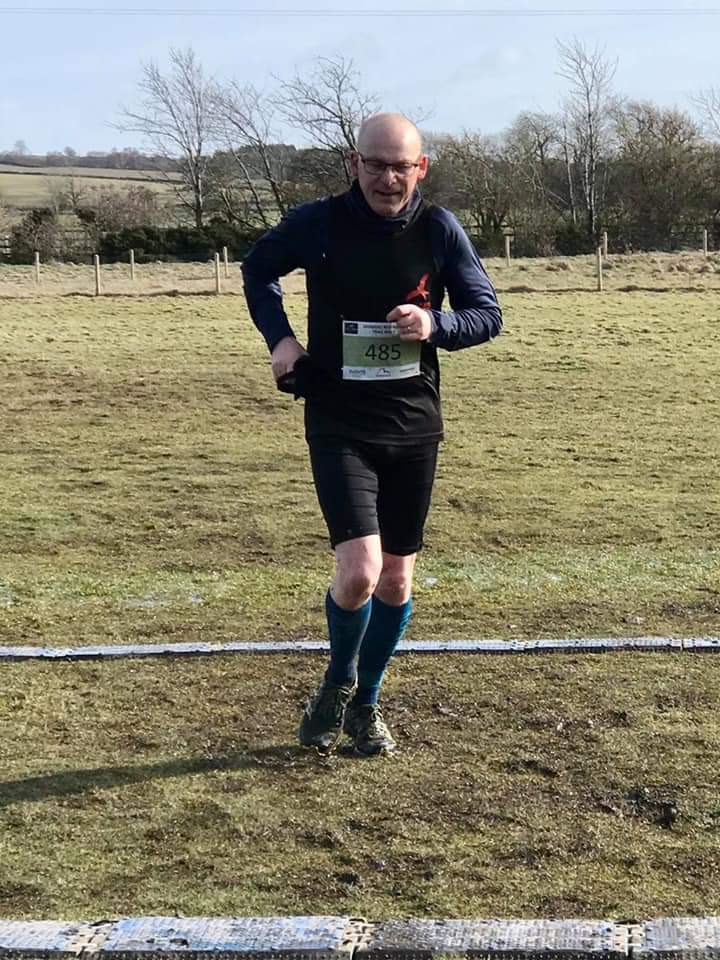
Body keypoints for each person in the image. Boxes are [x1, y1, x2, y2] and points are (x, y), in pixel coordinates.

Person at [242, 113, 502, 757]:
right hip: (337, 418)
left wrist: (434, 322)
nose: (388, 178)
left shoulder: (439, 229)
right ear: (353, 164)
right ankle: (335, 682)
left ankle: (365, 703)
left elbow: (487, 314)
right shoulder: (318, 222)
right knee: (358, 571)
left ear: (421, 168)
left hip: (413, 422)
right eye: (376, 164)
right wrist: (281, 341)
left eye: (401, 166)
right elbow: (258, 270)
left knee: (396, 582)